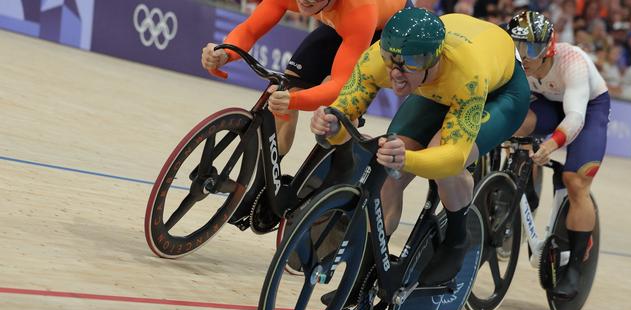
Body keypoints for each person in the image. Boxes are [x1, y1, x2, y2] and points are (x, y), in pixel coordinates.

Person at [311, 7, 530, 286]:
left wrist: (408, 160)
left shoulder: (467, 74)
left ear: (433, 58)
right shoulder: (382, 58)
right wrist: (329, 124)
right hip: (436, 84)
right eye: (390, 59)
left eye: (410, 62)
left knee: (444, 164)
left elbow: (452, 157)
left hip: (502, 92)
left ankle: (456, 239)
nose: (396, 72)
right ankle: (365, 269)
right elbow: (344, 115)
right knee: (389, 171)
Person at [200, 0, 409, 226]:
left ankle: (343, 164)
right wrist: (226, 52)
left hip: (384, 31)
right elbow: (251, 28)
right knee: (285, 88)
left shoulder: (360, 8)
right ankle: (262, 187)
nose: (305, 1)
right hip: (337, 21)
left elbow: (339, 85)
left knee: (339, 107)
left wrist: (295, 101)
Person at [507, 11, 609, 300]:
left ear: (548, 49)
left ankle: (576, 267)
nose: (525, 56)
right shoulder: (516, 62)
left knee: (575, 181)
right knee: (515, 124)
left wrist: (551, 145)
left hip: (588, 109)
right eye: (519, 45)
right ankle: (518, 185)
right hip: (549, 102)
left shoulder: (572, 60)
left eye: (533, 49)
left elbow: (575, 117)